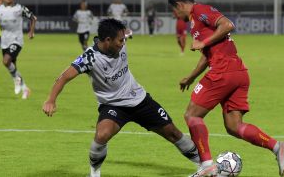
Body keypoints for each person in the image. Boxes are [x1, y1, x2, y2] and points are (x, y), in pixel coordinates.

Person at [42, 18, 200, 177]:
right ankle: (94, 173)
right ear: (108, 40)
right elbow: (63, 77)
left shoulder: (121, 38)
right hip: (113, 106)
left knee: (173, 133)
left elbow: (127, 33)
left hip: (140, 100)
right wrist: (51, 100)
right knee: (101, 135)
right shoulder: (89, 58)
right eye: (120, 40)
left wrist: (126, 34)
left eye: (124, 38)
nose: (123, 43)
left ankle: (204, 165)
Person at [168, 0, 284, 176]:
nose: (173, 15)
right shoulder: (195, 24)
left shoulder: (200, 10)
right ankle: (277, 147)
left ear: (179, 4)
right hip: (238, 72)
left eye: (173, 10)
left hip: (223, 70)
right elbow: (206, 55)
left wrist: (203, 43)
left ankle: (207, 164)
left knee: (192, 115)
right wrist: (191, 77)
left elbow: (227, 24)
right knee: (234, 126)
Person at [0, 0, 37, 99]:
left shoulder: (20, 8)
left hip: (17, 40)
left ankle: (17, 80)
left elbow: (33, 18)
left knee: (6, 61)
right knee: (12, 68)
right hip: (4, 42)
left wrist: (31, 31)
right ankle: (25, 88)